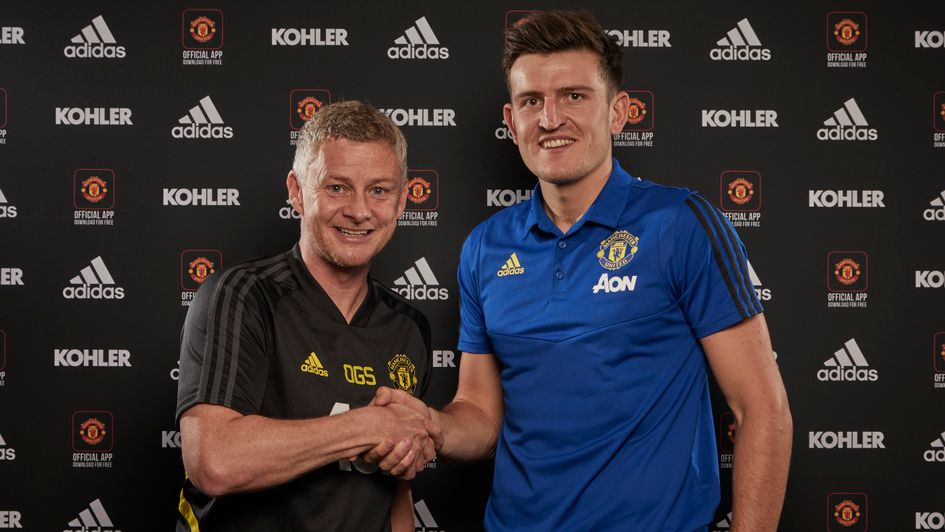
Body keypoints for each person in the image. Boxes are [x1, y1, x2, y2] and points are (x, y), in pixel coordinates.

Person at [367, 10, 792, 531]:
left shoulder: (681, 225)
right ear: (511, 122)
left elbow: (761, 408)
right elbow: (480, 413)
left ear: (618, 112)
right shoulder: (485, 247)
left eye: (574, 96)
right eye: (532, 101)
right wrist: (430, 424)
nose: (550, 119)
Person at [175, 100, 439, 531]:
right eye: (337, 188)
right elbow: (214, 462)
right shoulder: (243, 295)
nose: (359, 211)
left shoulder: (409, 328)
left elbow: (397, 490)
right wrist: (369, 424)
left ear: (402, 200)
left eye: (379, 190)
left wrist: (399, 440)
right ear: (297, 191)